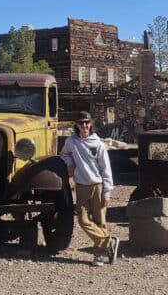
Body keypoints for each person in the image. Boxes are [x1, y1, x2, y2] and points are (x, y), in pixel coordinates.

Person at [60, 111, 119, 266]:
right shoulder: (72, 141)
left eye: (86, 122)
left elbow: (106, 169)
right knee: (83, 220)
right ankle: (109, 243)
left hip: (97, 186)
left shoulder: (98, 144)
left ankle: (99, 255)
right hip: (81, 186)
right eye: (81, 123)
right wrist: (70, 163)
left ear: (91, 124)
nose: (84, 126)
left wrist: (107, 192)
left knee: (100, 220)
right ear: (76, 125)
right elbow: (64, 154)